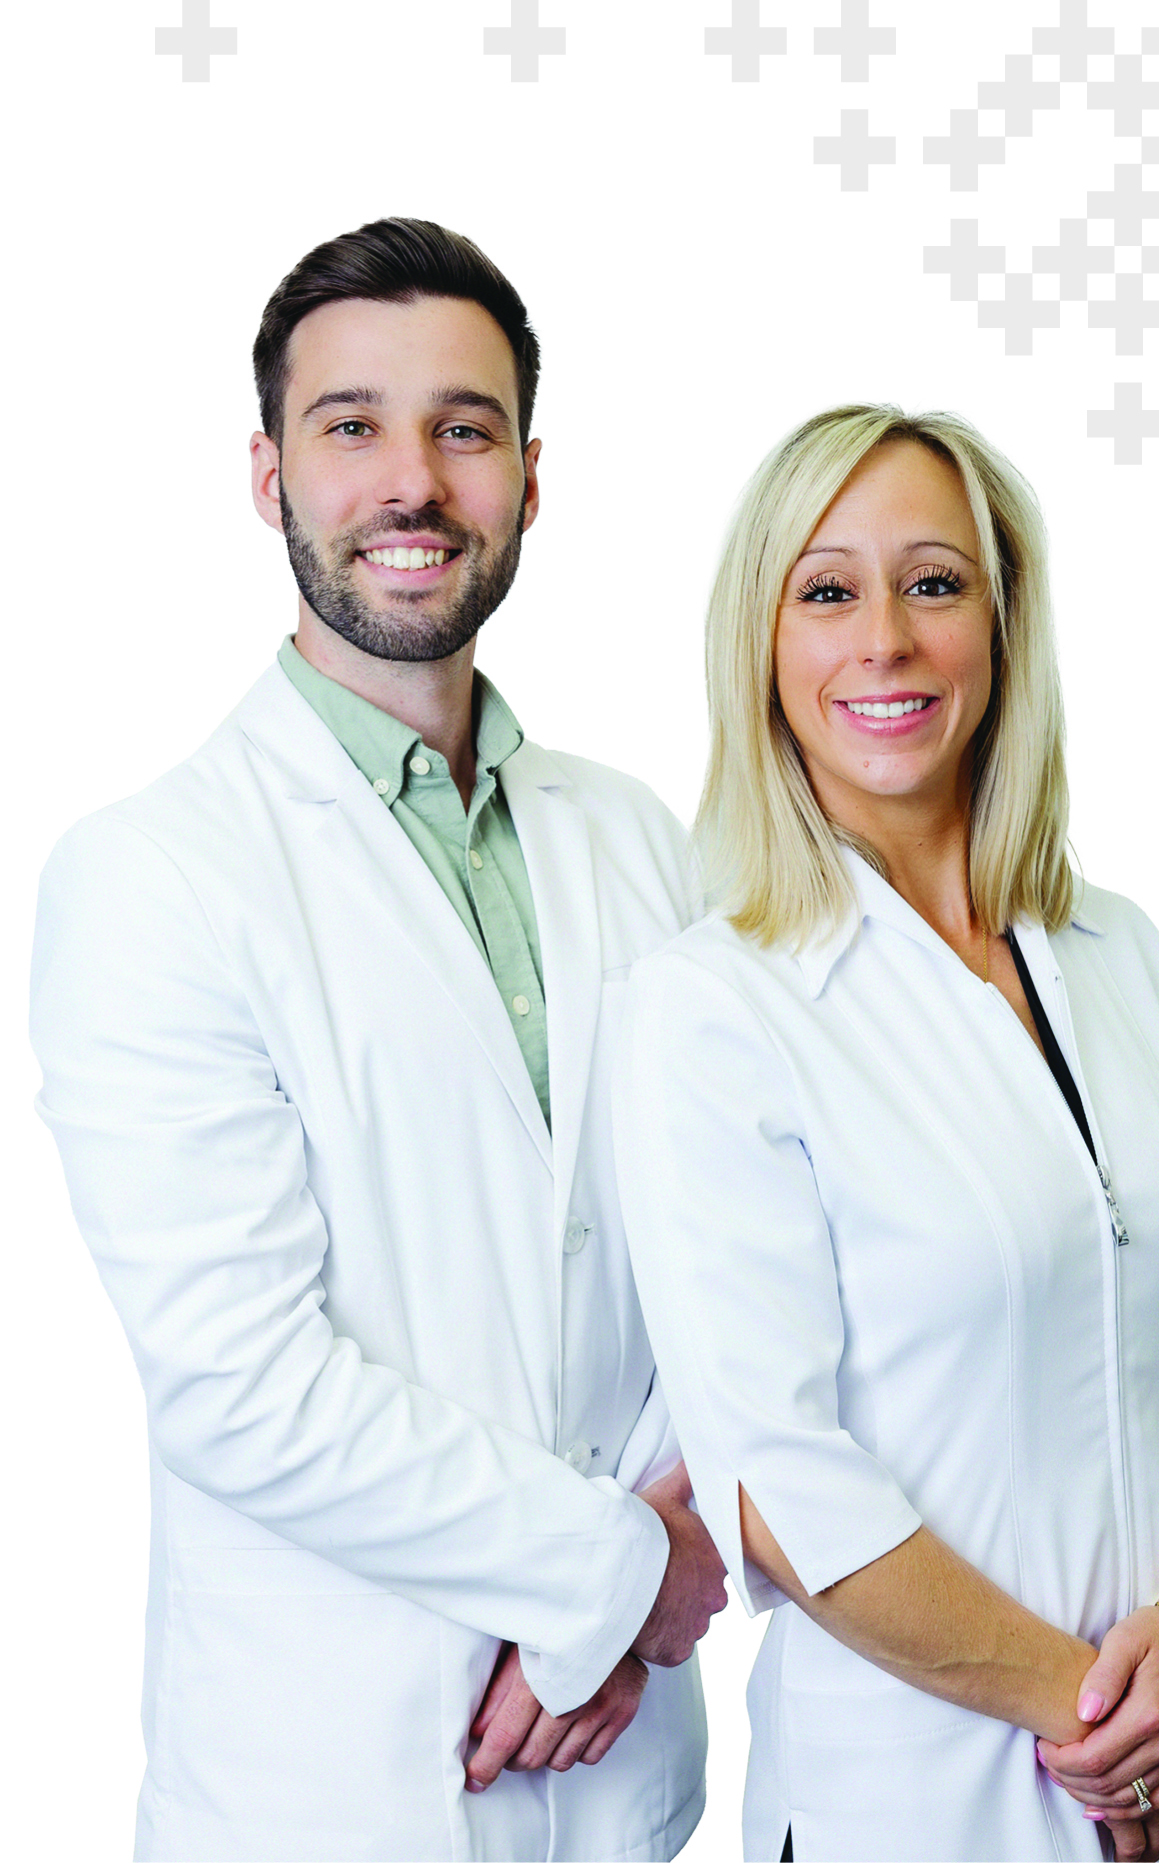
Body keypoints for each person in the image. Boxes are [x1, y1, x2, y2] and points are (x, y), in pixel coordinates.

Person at [29, 217, 727, 1863]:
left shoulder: (637, 838)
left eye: (463, 428)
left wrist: (647, 1576)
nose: (412, 482)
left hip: (626, 1785)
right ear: (267, 474)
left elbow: (736, 1255)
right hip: (324, 1795)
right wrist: (614, 1577)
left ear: (531, 482)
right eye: (351, 425)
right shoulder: (150, 875)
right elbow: (240, 1380)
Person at [614, 405, 1159, 1863]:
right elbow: (776, 1481)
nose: (887, 641)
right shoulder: (711, 1009)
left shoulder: (1117, 950)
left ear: (1002, 619)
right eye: (827, 591)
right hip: (922, 1801)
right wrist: (1105, 1725)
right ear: (761, 645)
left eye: (933, 582)